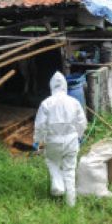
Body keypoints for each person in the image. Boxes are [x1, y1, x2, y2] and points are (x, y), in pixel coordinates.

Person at [33, 72, 87, 207]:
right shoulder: (74, 102)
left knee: (52, 162)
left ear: (51, 86)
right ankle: (71, 204)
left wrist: (37, 141)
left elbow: (40, 126)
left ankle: (58, 186)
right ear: (65, 86)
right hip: (71, 141)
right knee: (69, 171)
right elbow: (82, 123)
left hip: (53, 141)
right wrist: (79, 136)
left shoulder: (46, 103)